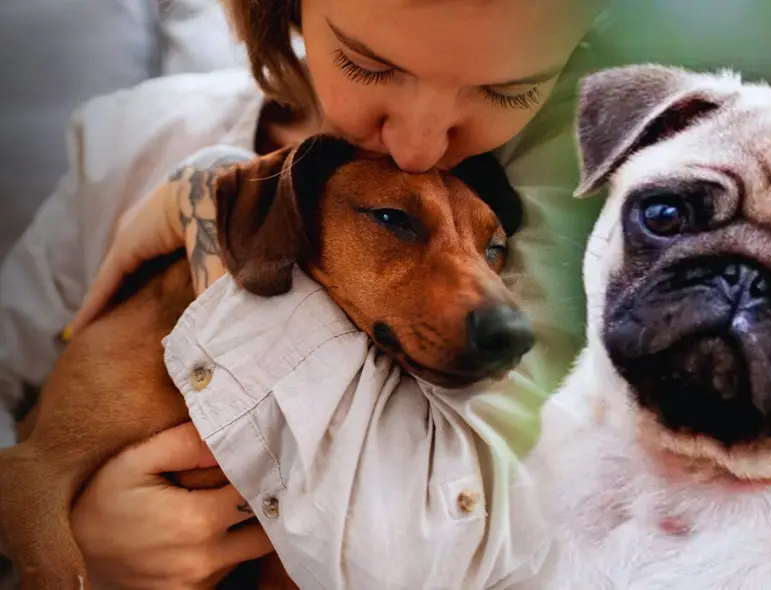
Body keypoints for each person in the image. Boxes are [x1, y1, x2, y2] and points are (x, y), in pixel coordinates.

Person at [0, 0, 611, 587]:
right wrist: (81, 548)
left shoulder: (581, 186)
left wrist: (211, 204)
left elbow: (445, 547)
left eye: (507, 90)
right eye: (367, 64)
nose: (418, 146)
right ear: (282, 6)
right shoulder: (132, 140)